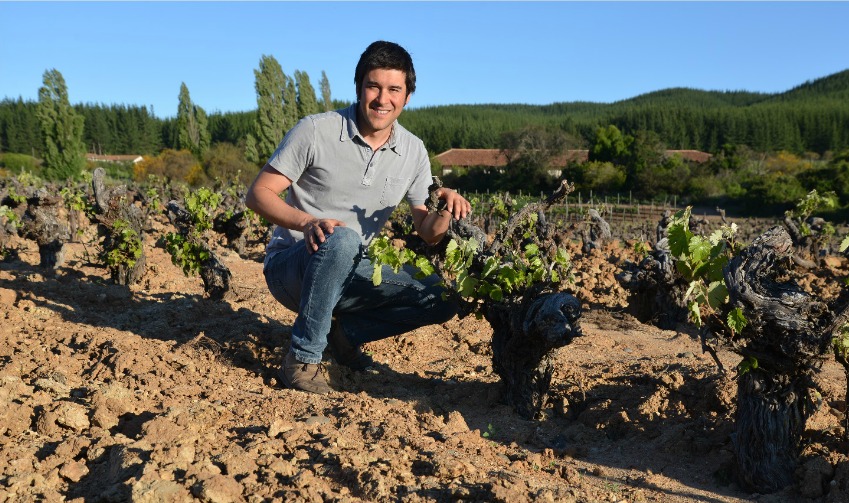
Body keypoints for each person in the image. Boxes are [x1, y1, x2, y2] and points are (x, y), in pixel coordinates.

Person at [246, 40, 471, 394]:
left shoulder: (413, 150)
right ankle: (302, 358)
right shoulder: (316, 130)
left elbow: (428, 233)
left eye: (394, 89)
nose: (383, 99)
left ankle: (345, 336)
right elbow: (258, 193)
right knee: (343, 238)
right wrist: (307, 223)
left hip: (350, 270)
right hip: (292, 268)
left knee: (442, 297)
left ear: (408, 96)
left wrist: (443, 208)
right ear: (358, 87)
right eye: (374, 86)